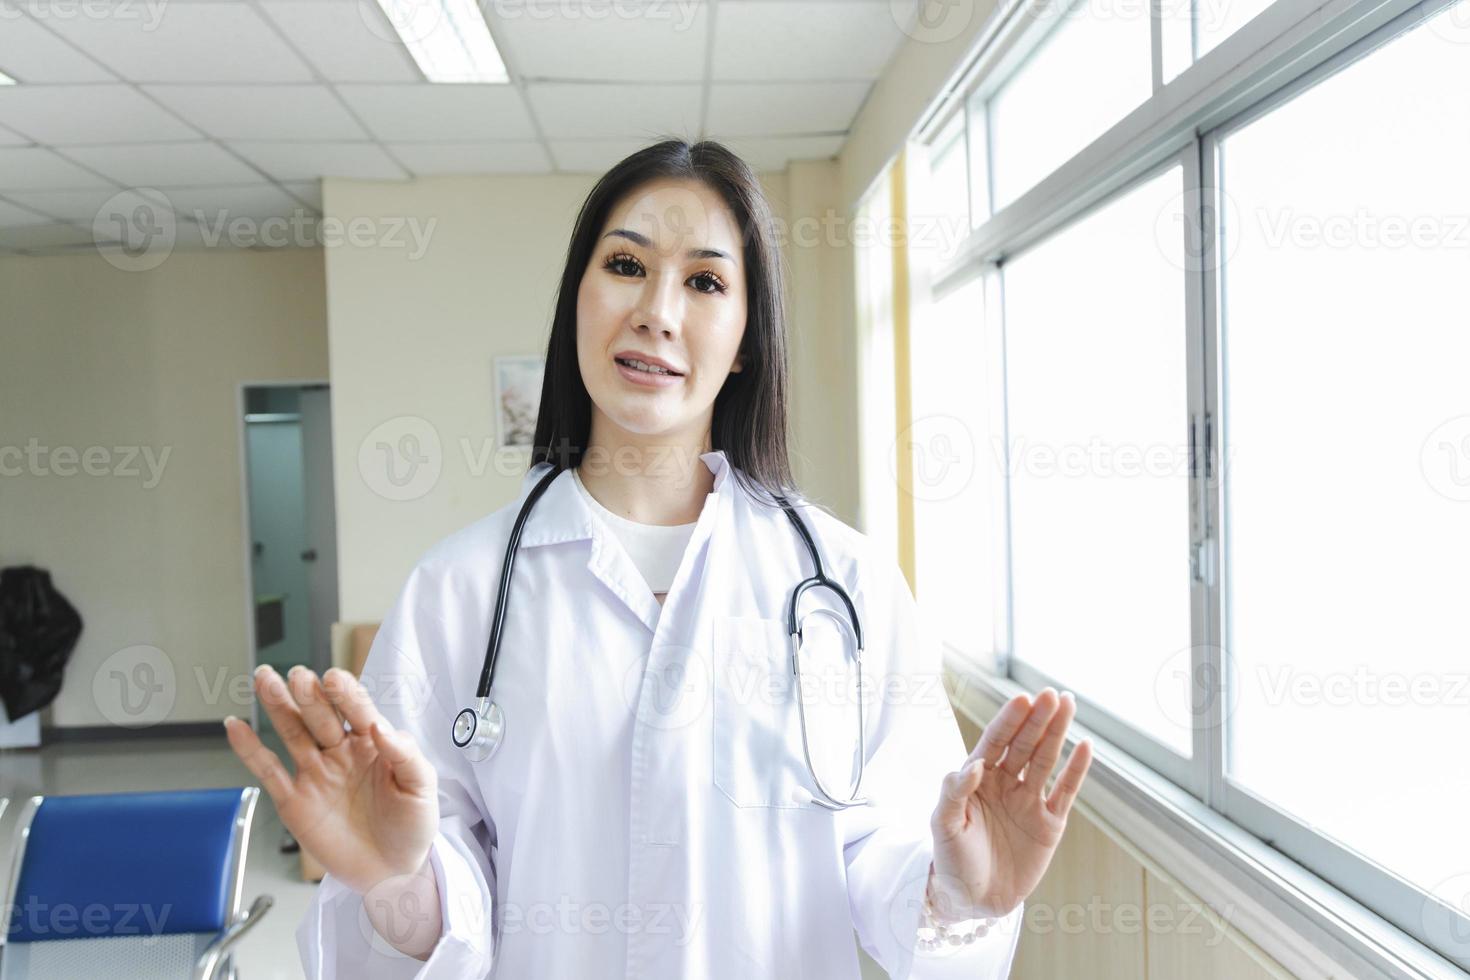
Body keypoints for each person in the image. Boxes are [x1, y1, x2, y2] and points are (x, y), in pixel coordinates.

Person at [223, 139, 1093, 979]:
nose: (657, 311)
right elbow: (435, 909)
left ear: (748, 335)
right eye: (627, 266)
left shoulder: (847, 586)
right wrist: (394, 881)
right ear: (579, 298)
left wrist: (962, 894)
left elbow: (891, 866)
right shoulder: (459, 591)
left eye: (706, 281)